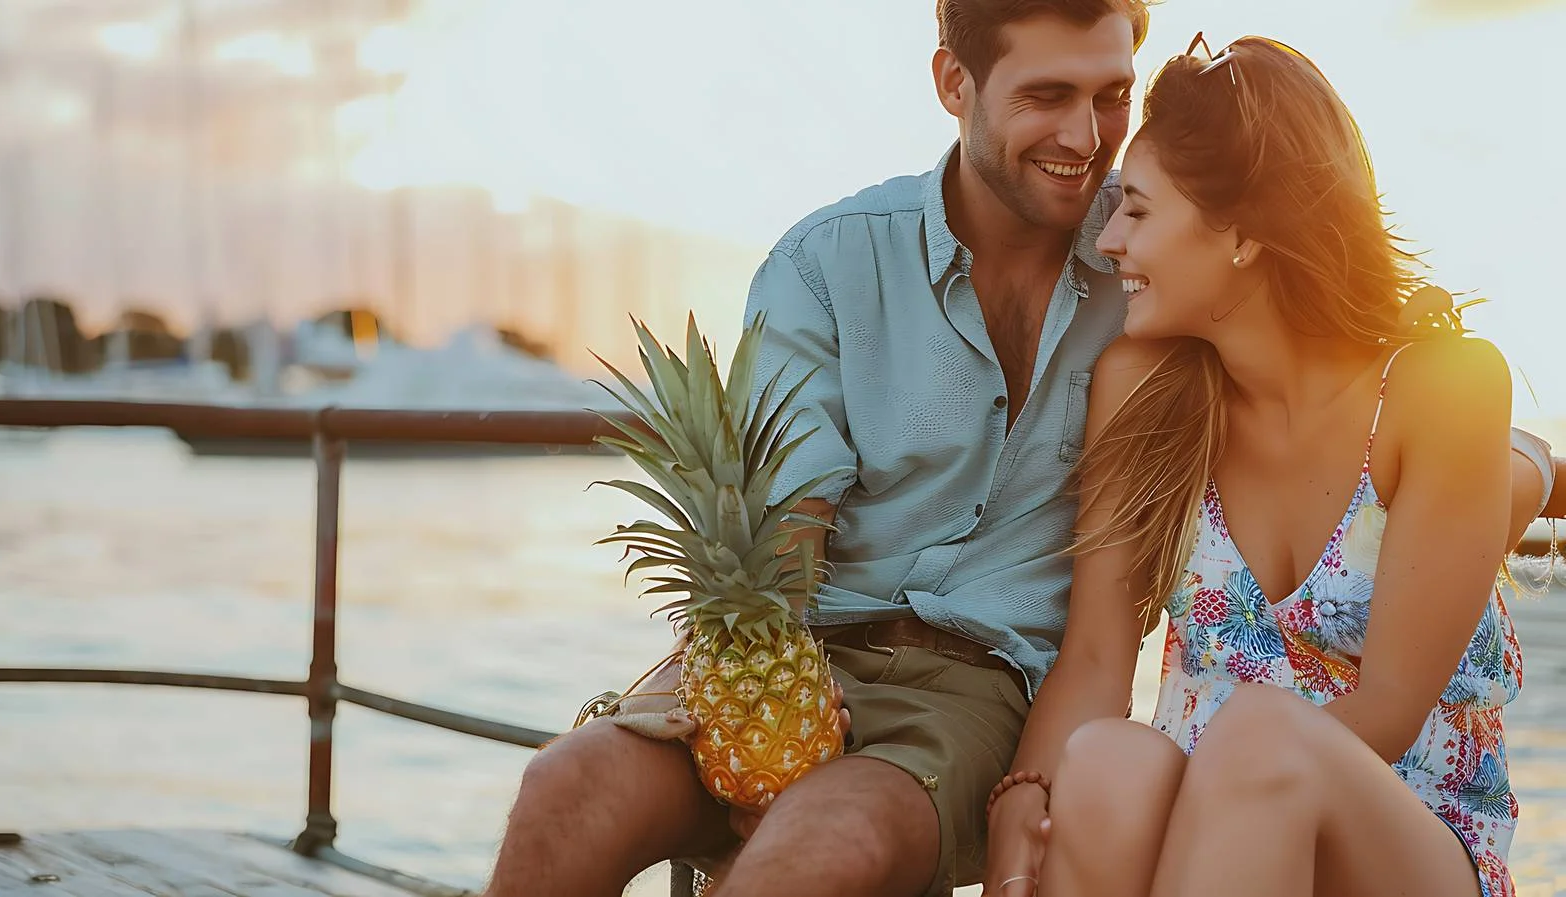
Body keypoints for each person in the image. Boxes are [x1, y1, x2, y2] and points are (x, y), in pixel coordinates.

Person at [483, 3, 1151, 895]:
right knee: (563, 785)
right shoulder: (827, 264)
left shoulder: (1149, 260)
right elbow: (787, 525)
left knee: (823, 841)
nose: (1087, 134)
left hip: (978, 700)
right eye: (1047, 94)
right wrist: (774, 721)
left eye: (1112, 95)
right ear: (955, 83)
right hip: (798, 652)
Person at [979, 33, 1554, 897]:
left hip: (1404, 841)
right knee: (1103, 763)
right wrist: (1022, 802)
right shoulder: (1147, 390)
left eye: (1137, 209)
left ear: (1242, 232)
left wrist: (1195, 838)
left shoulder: (1440, 390)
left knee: (1262, 737)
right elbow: (1097, 657)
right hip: (1209, 854)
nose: (1110, 244)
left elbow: (1391, 715)